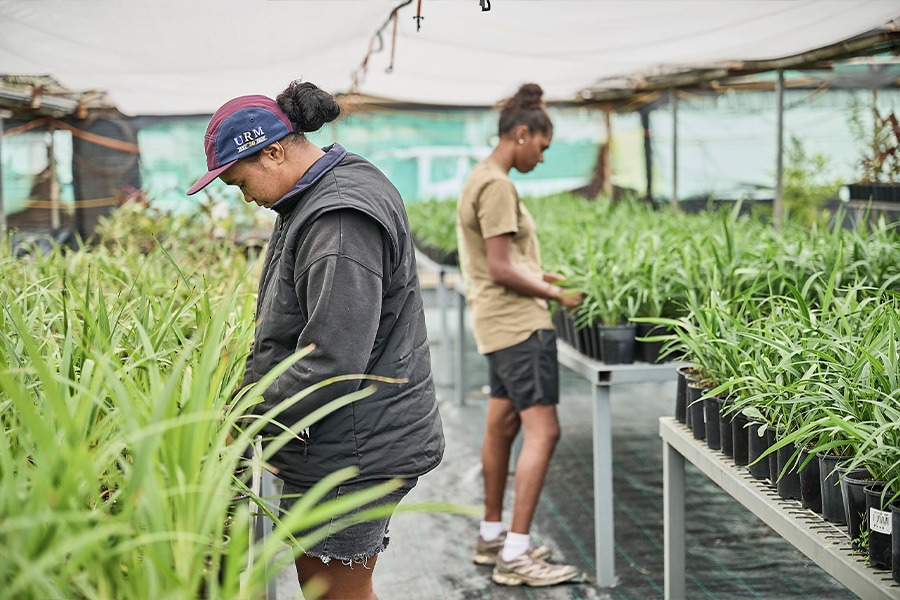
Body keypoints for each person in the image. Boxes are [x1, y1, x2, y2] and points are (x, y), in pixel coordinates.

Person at [187, 80, 445, 600]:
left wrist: (242, 415)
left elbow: (331, 359)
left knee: (335, 593)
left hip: (358, 447)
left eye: (240, 183)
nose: (246, 199)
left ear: (275, 151)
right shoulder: (319, 192)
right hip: (351, 435)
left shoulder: (339, 219)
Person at [456, 83, 585, 587]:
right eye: (543, 148)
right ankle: (516, 552)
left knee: (502, 425)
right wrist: (556, 298)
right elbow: (501, 267)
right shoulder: (498, 186)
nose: (542, 158)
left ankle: (492, 536)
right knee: (544, 431)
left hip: (495, 322)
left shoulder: (480, 178)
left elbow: (508, 264)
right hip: (517, 324)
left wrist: (541, 276)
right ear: (522, 134)